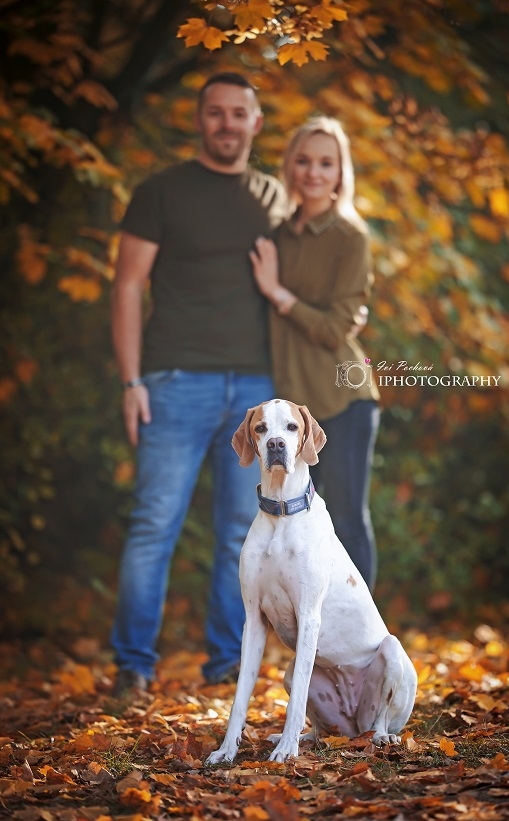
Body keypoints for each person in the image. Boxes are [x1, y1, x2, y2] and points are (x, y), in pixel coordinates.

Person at [110, 72, 286, 696]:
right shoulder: (160, 192)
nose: (227, 123)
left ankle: (226, 667)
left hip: (256, 392)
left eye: (239, 113)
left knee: (243, 533)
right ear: (199, 119)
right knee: (154, 524)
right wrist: (132, 381)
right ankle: (133, 666)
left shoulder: (274, 197)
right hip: (174, 381)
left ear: (255, 122)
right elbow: (127, 285)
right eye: (216, 112)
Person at [249, 117, 381, 589]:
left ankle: (362, 631)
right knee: (295, 524)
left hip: (341, 399)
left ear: (341, 172)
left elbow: (334, 329)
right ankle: (308, 630)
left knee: (344, 521)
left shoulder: (350, 237)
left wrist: (277, 293)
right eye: (303, 161)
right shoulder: (277, 235)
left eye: (326, 163)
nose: (314, 172)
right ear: (290, 167)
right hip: (291, 410)